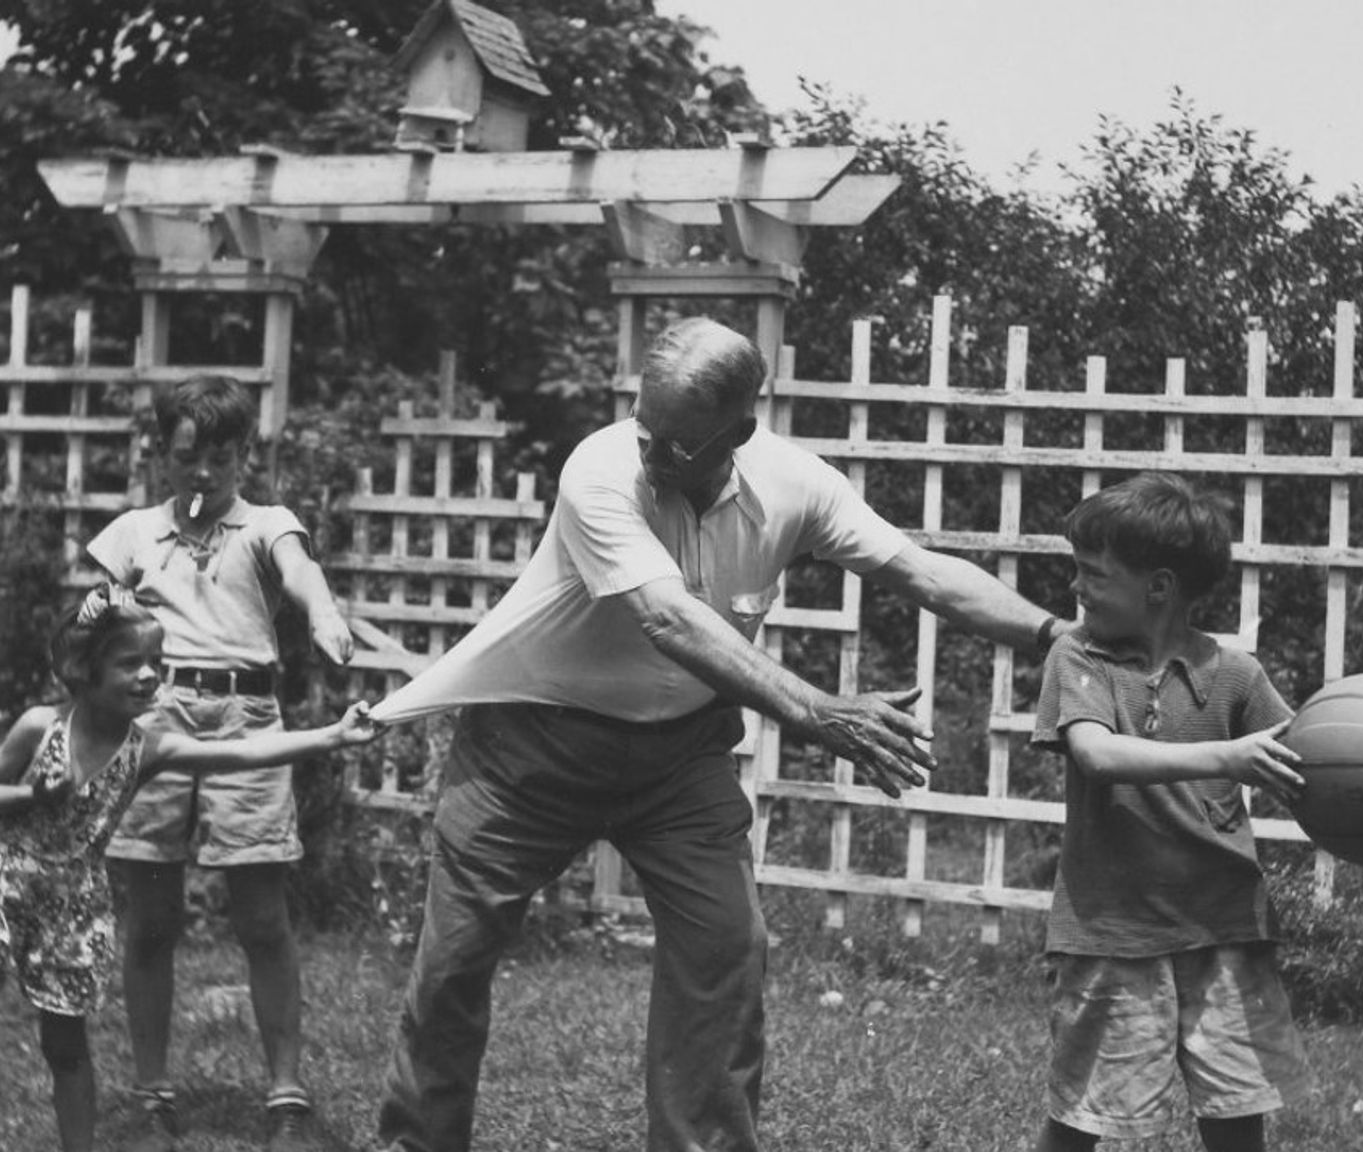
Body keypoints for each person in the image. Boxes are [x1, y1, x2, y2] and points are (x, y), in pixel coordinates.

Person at [365, 317, 1072, 1152]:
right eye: (645, 427)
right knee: (452, 965)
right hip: (530, 750)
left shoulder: (794, 483)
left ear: (738, 433)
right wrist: (817, 711)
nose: (651, 454)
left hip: (680, 759)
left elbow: (919, 572)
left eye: (676, 444)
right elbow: (669, 620)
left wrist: (1052, 634)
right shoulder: (600, 469)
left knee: (727, 957)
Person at [0, 585, 380, 1152]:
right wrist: (31, 794)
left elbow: (245, 753)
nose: (150, 676)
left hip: (70, 908)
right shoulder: (40, 726)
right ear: (83, 669)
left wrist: (334, 735)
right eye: (132, 663)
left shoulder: (149, 749)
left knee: (67, 1052)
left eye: (157, 663)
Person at [84, 376, 356, 1152]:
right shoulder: (134, 532)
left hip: (246, 719)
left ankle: (287, 1101)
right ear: (163, 455)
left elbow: (302, 575)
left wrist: (326, 614)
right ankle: (150, 1100)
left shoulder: (267, 524)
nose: (203, 474)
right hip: (154, 720)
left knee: (262, 917)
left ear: (245, 455)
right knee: (153, 918)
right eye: (186, 458)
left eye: (221, 458)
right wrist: (96, 631)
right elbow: (93, 622)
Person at [1029, 473, 1312, 1152]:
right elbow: (1097, 754)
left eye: (1092, 573)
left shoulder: (1236, 674)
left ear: (1158, 587)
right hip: (1113, 932)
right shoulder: (1079, 655)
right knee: (1083, 1115)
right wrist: (1228, 758)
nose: (1075, 586)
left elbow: (1308, 765)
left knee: (1236, 1110)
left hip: (1225, 930)